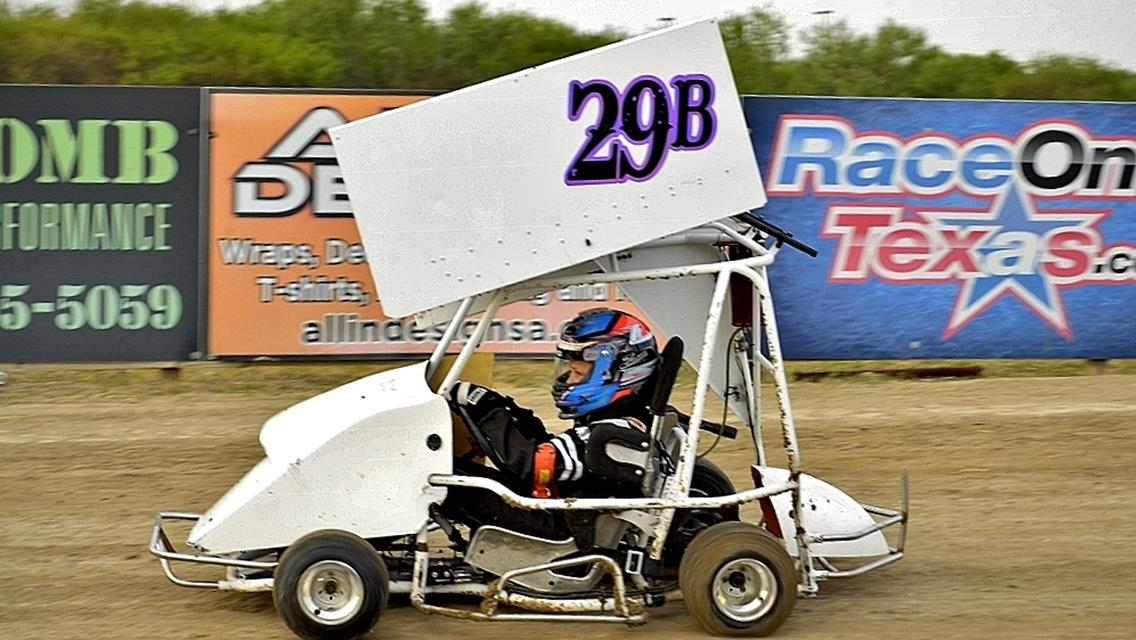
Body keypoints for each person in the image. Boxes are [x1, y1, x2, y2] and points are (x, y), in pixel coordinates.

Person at [440, 308, 660, 543]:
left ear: (614, 371)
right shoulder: (617, 420)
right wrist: (508, 411)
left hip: (561, 530)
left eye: (577, 372)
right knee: (451, 472)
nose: (569, 379)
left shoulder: (613, 432)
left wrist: (486, 410)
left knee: (445, 483)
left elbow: (534, 465)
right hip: (555, 504)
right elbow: (549, 451)